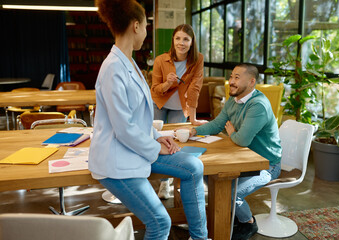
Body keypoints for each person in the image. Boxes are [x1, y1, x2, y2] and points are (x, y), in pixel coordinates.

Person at [88, 1, 208, 239]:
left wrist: (158, 137)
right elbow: (123, 128)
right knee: (160, 222)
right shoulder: (113, 68)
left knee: (194, 167)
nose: (145, 32)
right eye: (145, 26)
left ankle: (199, 237)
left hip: (134, 149)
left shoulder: (129, 62)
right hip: (117, 160)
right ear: (135, 26)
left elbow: (138, 118)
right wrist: (155, 147)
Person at [188, 63, 282, 240]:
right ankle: (225, 215)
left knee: (231, 192)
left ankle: (248, 222)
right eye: (231, 76)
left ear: (251, 82)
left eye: (237, 78)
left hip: (267, 165)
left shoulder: (258, 105)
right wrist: (194, 131)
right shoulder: (234, 99)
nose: (231, 81)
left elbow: (242, 140)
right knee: (210, 175)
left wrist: (232, 132)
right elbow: (218, 124)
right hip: (244, 159)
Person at [151, 24, 207, 199]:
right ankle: (150, 177)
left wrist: (193, 118)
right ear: (173, 40)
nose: (181, 43)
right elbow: (155, 89)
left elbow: (195, 89)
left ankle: (165, 183)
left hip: (179, 107)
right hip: (158, 103)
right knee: (154, 139)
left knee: (173, 144)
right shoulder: (161, 60)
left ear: (192, 42)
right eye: (178, 38)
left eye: (186, 39)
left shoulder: (197, 59)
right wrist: (168, 83)